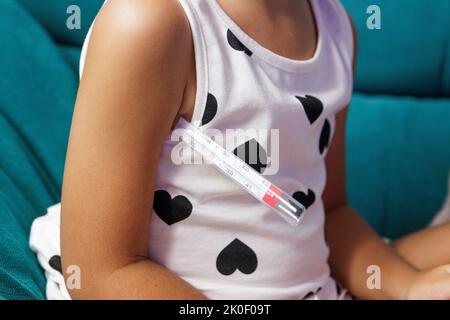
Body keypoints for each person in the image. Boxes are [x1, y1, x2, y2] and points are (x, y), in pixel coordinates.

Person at [30, 0, 450, 299]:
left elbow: (329, 213)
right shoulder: (149, 22)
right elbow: (101, 273)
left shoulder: (337, 27)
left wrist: (408, 287)